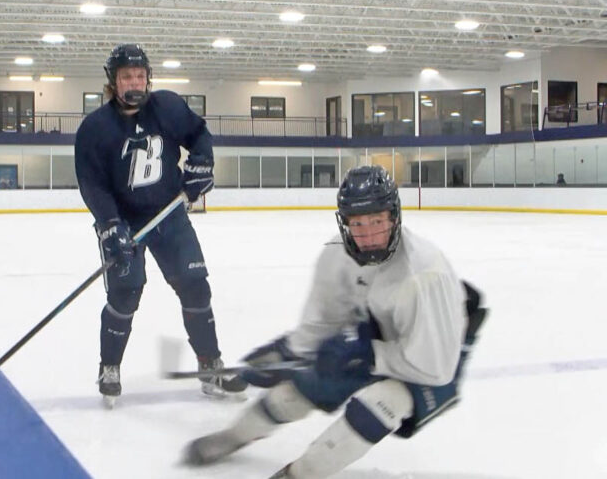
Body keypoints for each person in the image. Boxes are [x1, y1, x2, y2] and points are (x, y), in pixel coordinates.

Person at [183, 165, 488, 478]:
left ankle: (300, 474)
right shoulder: (336, 255)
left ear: (394, 217)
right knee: (297, 389)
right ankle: (233, 436)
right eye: (357, 223)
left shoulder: (425, 275)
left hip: (434, 358)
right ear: (345, 223)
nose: (368, 236)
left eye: (377, 221)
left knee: (379, 404)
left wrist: (368, 354)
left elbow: (435, 368)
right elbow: (322, 323)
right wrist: (288, 353)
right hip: (372, 338)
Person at [74, 43, 246, 406]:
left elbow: (199, 134)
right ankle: (109, 367)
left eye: (140, 76)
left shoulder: (167, 107)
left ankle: (209, 365)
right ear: (113, 82)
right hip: (124, 222)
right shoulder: (95, 128)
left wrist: (202, 162)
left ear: (148, 78)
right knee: (125, 293)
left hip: (169, 213)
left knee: (195, 287)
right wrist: (110, 225)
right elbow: (92, 184)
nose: (134, 83)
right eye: (126, 77)